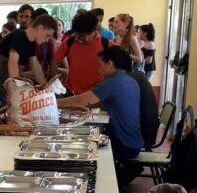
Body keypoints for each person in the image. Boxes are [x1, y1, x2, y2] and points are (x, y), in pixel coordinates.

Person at [58, 46, 143, 185]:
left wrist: (51, 103)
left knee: (78, 145)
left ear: (110, 64)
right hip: (134, 142)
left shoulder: (113, 82)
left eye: (100, 65)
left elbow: (83, 100)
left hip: (124, 145)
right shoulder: (130, 81)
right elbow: (98, 102)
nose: (98, 69)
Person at [0, 14, 57, 110]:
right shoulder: (19, 36)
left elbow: (36, 66)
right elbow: (12, 64)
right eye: (47, 35)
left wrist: (45, 88)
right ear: (40, 28)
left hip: (3, 88)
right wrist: (16, 93)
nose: (47, 40)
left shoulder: (30, 43)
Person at [51, 11, 112, 96]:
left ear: (93, 30)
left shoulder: (107, 45)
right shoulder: (70, 41)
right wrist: (56, 84)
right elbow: (54, 62)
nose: (79, 39)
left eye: (82, 36)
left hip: (95, 94)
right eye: (77, 34)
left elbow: (116, 72)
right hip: (71, 92)